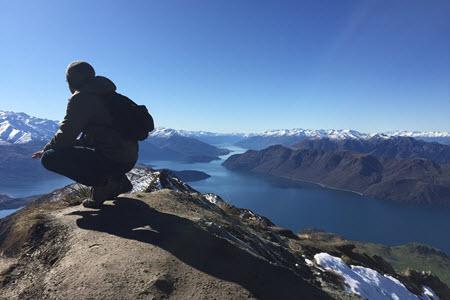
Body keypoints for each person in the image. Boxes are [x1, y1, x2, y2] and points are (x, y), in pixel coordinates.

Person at [32, 61, 139, 208]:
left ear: (71, 80)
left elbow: (65, 136)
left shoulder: (81, 98)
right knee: (80, 149)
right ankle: (117, 180)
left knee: (50, 158)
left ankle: (106, 185)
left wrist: (46, 150)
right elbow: (98, 136)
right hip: (127, 158)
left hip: (114, 159)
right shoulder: (109, 95)